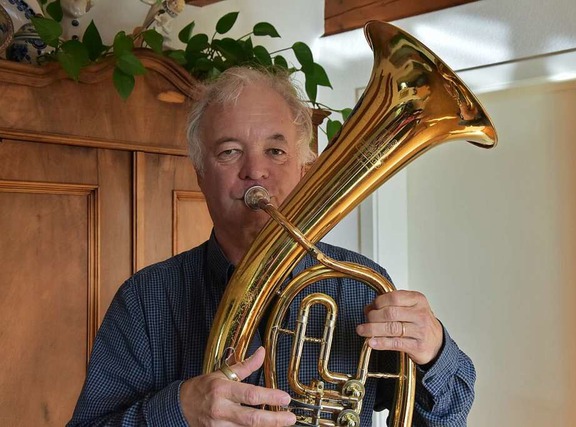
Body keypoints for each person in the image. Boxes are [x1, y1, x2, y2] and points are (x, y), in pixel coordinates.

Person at [68, 66, 476, 426]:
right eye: (230, 152)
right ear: (200, 175)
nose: (256, 171)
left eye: (276, 151)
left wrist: (433, 349)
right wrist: (179, 411)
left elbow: (445, 416)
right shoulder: (145, 299)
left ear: (302, 168)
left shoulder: (360, 285)